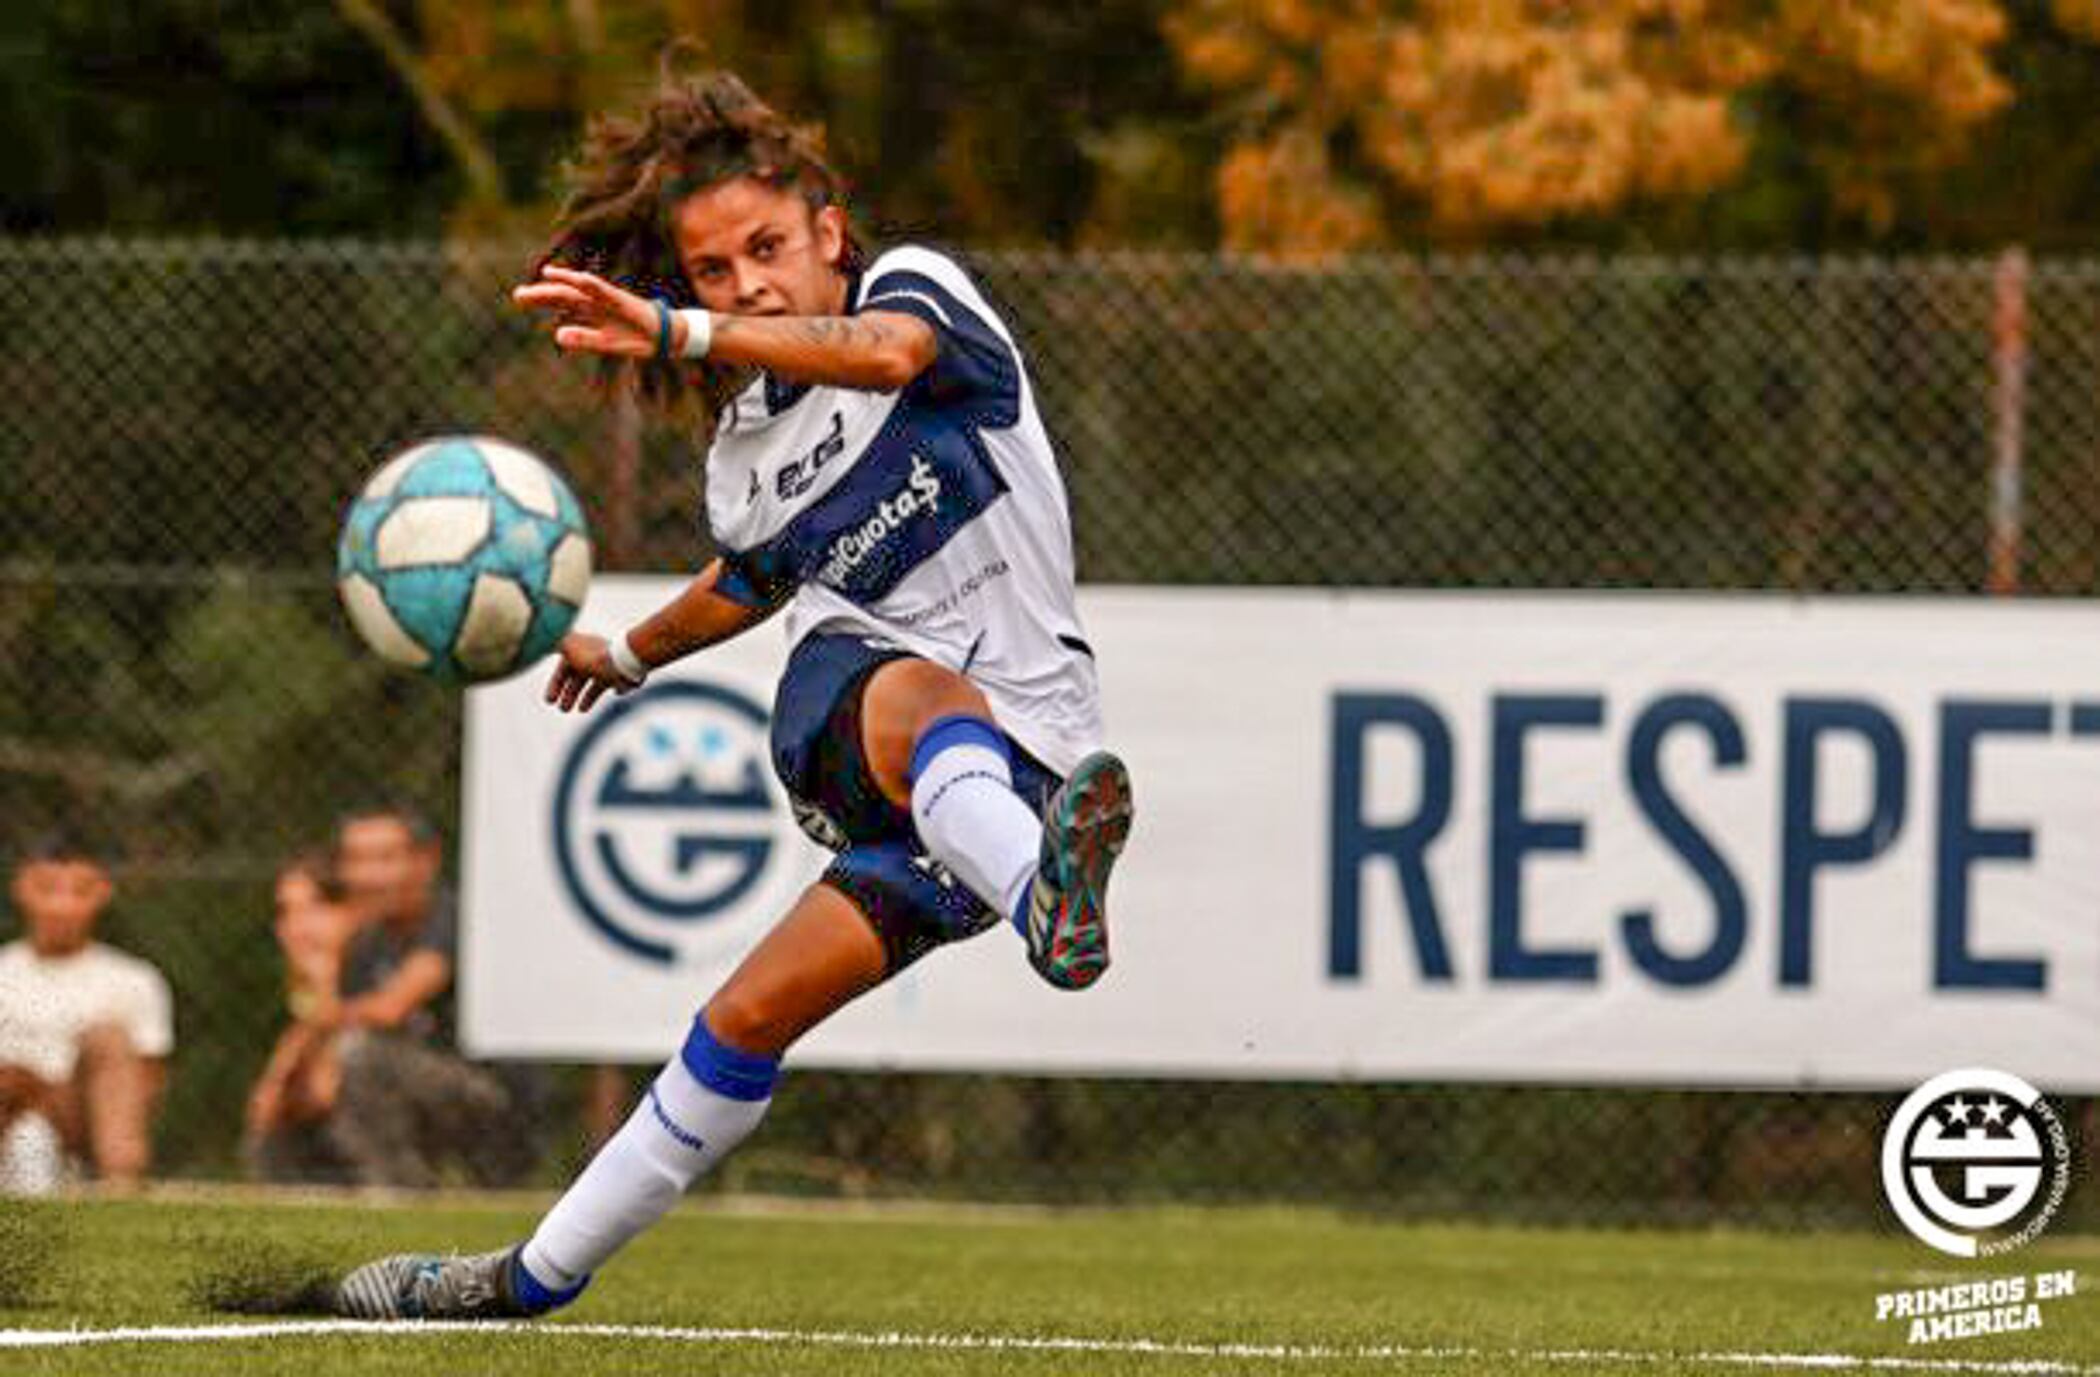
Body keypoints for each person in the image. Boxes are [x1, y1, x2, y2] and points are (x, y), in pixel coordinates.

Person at [335, 56, 1131, 1320]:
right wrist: (629, 651)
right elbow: (752, 580)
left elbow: (880, 357)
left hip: (1024, 771)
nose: (747, 281)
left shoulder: (916, 292)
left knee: (745, 1018)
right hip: (864, 729)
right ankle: (1048, 892)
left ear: (828, 229)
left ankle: (524, 1280)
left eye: (767, 246)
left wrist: (681, 330)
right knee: (895, 681)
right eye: (711, 271)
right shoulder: (745, 456)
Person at [253, 808, 538, 1189]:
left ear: (426, 860)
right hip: (402, 1086)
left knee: (358, 1054)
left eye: (384, 859)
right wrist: (282, 1080)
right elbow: (326, 1029)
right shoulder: (368, 939)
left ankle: (401, 1188)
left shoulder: (451, 918)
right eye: (356, 860)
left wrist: (324, 985)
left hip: (489, 1096)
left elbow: (391, 1009)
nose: (368, 876)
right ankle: (294, 1202)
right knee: (289, 1097)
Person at [0, 833, 173, 1195]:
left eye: (79, 891)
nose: (62, 907)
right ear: (21, 888)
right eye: (48, 889)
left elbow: (146, 1086)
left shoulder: (134, 980)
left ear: (102, 892)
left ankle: (120, 1187)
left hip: (82, 1118)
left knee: (108, 1038)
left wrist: (46, 1096)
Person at [241, 851, 353, 1183]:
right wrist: (275, 1081)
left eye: (314, 907)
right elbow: (307, 1027)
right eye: (286, 912)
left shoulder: (371, 960)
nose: (297, 926)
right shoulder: (307, 975)